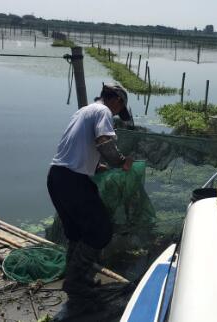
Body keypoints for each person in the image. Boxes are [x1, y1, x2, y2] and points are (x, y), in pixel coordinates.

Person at [47, 83, 133, 320]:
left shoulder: (83, 111)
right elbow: (104, 142)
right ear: (115, 100)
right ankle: (76, 282)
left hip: (56, 177)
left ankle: (76, 280)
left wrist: (97, 165)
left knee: (77, 232)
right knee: (100, 231)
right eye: (119, 109)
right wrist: (121, 161)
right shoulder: (103, 111)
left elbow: (78, 147)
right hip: (72, 180)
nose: (116, 114)